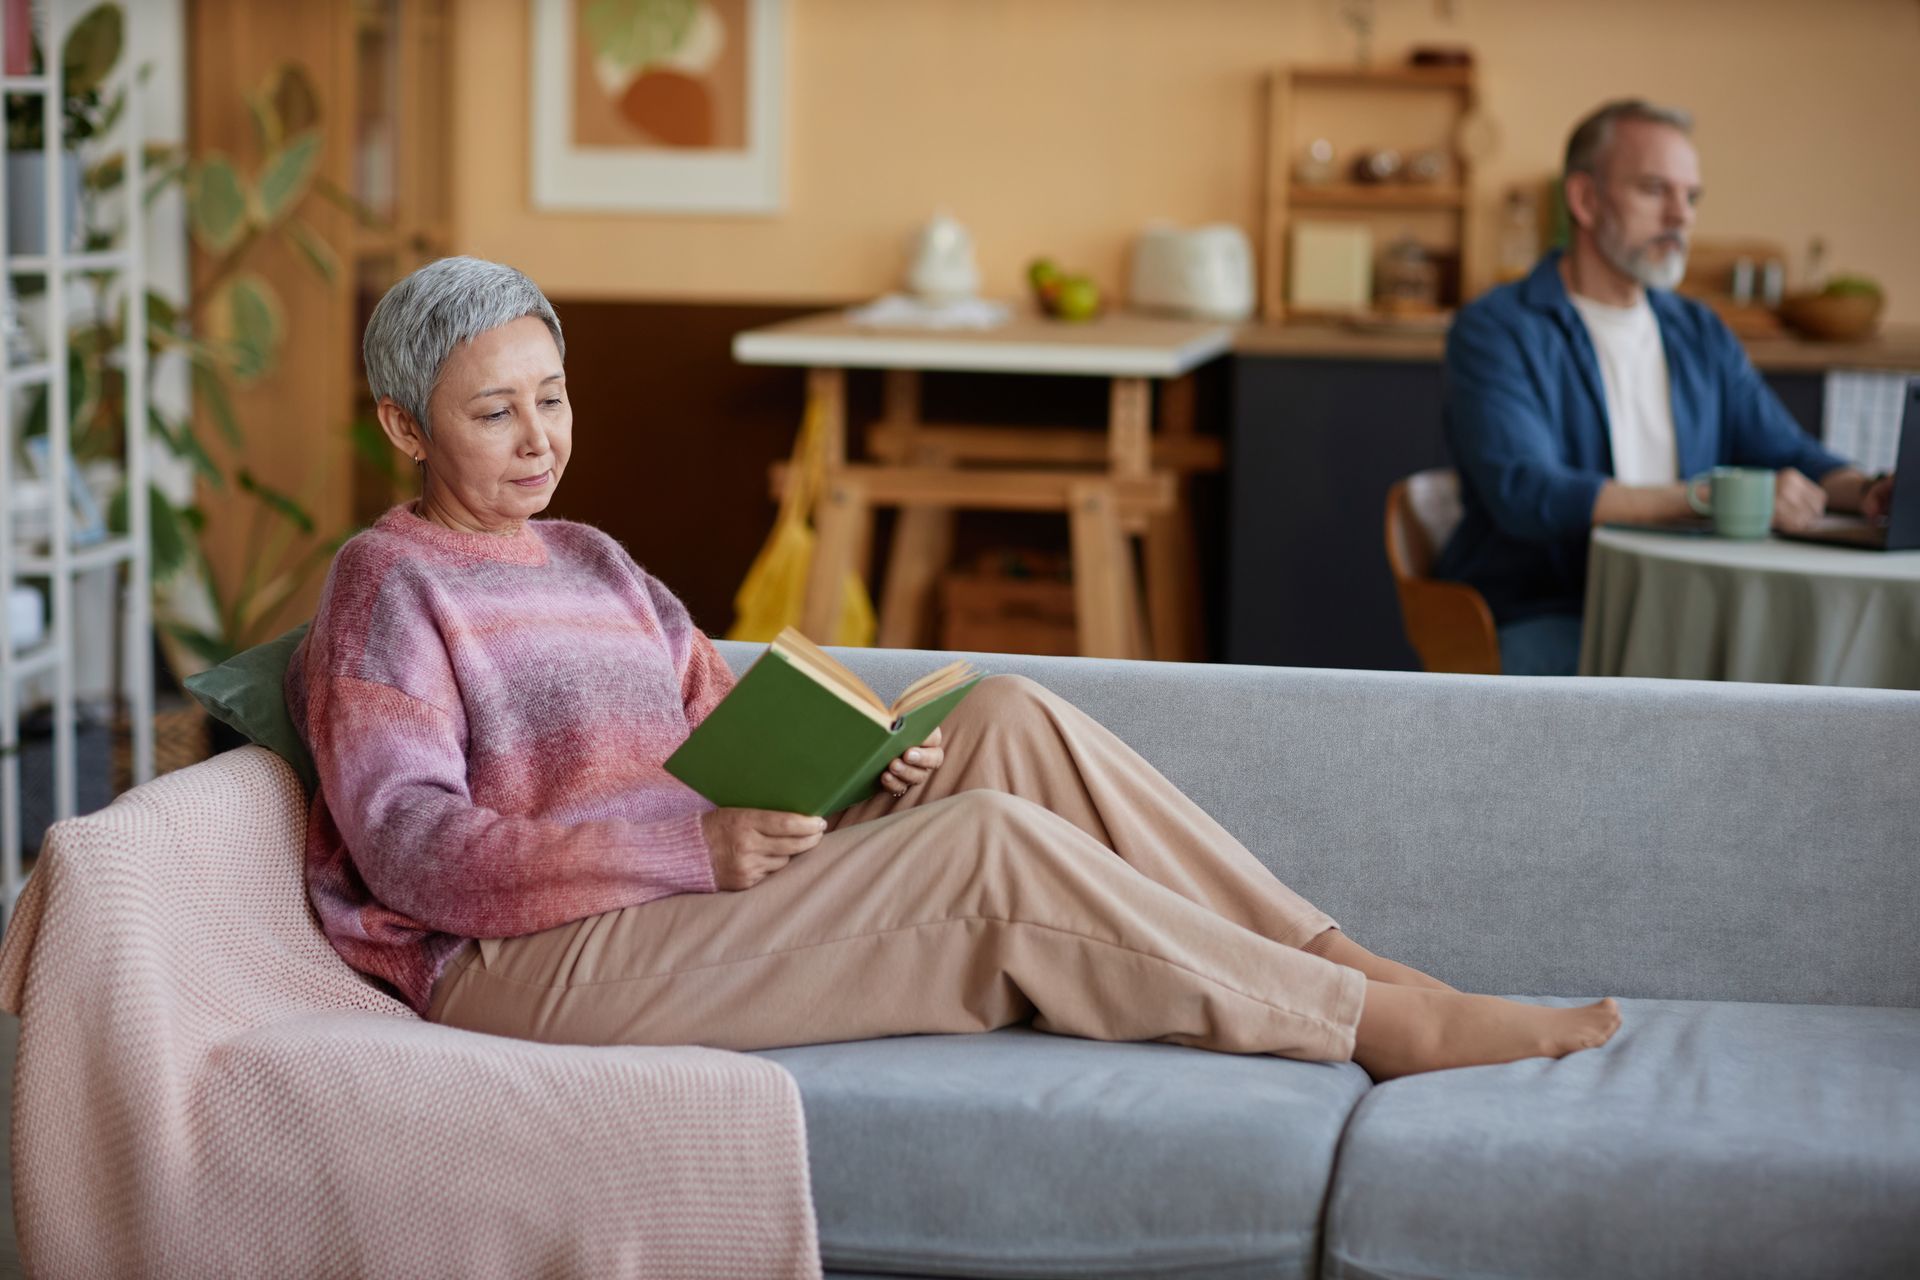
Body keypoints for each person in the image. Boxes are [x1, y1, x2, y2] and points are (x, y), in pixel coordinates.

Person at [288, 256, 1621, 1083]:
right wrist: (694, 856)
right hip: (522, 962)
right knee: (983, 848)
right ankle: (1364, 1028)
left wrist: (860, 758)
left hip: (676, 890)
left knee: (1000, 715)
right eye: (494, 409)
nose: (538, 438)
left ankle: (1357, 959)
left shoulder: (592, 558)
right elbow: (413, 850)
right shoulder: (384, 586)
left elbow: (715, 724)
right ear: (406, 425)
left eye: (554, 396)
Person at [1436, 100, 1896, 676]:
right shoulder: (1498, 327)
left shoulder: (1698, 331)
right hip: (1549, 610)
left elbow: (1788, 451)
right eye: (1655, 190)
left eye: (1692, 196)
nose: (1681, 215)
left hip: (1688, 610)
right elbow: (1527, 493)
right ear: (1584, 200)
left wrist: (1870, 489)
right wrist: (1709, 499)